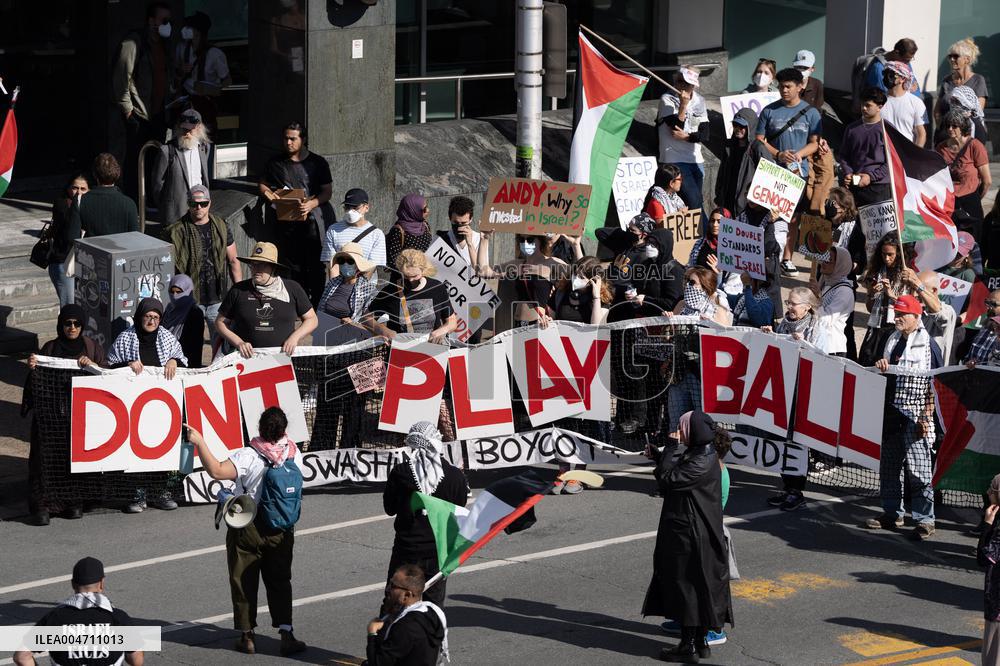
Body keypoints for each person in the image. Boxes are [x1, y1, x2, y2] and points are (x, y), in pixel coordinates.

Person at [185, 407, 307, 656]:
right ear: (284, 429)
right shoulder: (294, 453)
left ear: (260, 428)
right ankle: (286, 634)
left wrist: (199, 441)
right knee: (280, 580)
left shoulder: (249, 456)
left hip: (247, 524)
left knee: (243, 580)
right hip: (282, 528)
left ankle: (246, 635)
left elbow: (217, 471)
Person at [643, 410, 733, 662]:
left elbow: (668, 480)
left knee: (686, 588)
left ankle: (687, 646)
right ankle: (701, 642)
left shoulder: (700, 461)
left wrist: (670, 448)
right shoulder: (702, 455)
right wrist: (661, 456)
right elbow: (674, 472)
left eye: (682, 428)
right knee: (698, 587)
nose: (679, 432)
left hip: (689, 536)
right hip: (696, 534)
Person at [24, 305, 106, 527]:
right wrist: (33, 367)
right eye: (67, 323)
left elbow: (106, 377)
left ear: (83, 326)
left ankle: (73, 502)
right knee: (45, 460)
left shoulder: (91, 348)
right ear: (61, 325)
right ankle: (43, 506)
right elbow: (35, 381)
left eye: (76, 324)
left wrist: (94, 367)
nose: (72, 328)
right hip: (51, 416)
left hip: (79, 417)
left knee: (73, 458)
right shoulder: (49, 349)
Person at [870, 295, 941, 540]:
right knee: (889, 468)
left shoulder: (929, 345)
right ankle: (893, 513)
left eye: (902, 314)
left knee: (919, 472)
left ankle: (925, 520)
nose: (897, 318)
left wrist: (926, 416)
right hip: (890, 415)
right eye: (896, 313)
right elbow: (882, 371)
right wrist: (882, 365)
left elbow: (937, 383)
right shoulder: (890, 338)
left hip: (914, 417)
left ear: (916, 316)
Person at [108, 298, 187, 514]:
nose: (151, 321)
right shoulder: (125, 338)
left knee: (161, 448)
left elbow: (182, 359)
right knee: (136, 450)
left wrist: (174, 361)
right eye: (147, 316)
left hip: (161, 406)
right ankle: (137, 493)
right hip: (133, 407)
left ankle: (160, 492)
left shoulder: (167, 337)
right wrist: (127, 365)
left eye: (155, 317)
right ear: (139, 316)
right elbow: (110, 365)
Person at [381, 422, 469, 611]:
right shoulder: (454, 476)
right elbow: (458, 509)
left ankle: (385, 638)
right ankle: (430, 639)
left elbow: (389, 508)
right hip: (438, 551)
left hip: (406, 549)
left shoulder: (401, 473)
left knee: (395, 600)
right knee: (433, 606)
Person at [12, 557, 144, 666]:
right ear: (102, 583)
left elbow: (22, 657)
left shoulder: (54, 619)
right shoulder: (117, 618)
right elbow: (136, 658)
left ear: (73, 584)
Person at [754, 68, 822, 275]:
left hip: (797, 174)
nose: (783, 90)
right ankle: (766, 254)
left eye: (788, 86)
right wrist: (778, 154)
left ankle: (787, 257)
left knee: (793, 217)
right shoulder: (769, 111)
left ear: (800, 87)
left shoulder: (811, 113)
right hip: (772, 172)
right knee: (769, 214)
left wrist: (799, 154)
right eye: (781, 86)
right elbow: (759, 140)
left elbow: (815, 143)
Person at [259, 121, 334, 305]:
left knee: (315, 267)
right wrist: (273, 198)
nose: (288, 143)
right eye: (285, 138)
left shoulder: (318, 162)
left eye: (293, 139)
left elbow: (327, 191)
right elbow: (263, 185)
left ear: (303, 139)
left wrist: (312, 204)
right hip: (287, 224)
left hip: (313, 224)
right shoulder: (275, 163)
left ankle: (317, 306)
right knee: (293, 267)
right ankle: (297, 305)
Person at [164, 184, 241, 352]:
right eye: (194, 204)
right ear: (188, 204)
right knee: (190, 347)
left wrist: (239, 293)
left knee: (221, 348)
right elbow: (168, 269)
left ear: (209, 203)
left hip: (218, 298)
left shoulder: (221, 226)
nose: (199, 207)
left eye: (203, 203)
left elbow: (233, 260)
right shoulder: (176, 231)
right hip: (190, 300)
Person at [112, 1, 172, 199]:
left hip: (157, 112)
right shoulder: (134, 42)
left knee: (155, 157)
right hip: (138, 113)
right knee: (135, 159)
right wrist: (128, 110)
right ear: (151, 21)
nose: (166, 24)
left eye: (168, 20)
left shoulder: (163, 45)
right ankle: (134, 199)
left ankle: (151, 198)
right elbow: (122, 77)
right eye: (163, 20)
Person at [216, 241, 318, 358]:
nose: (256, 269)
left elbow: (312, 319)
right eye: (253, 264)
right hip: (245, 359)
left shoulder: (292, 288)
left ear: (273, 267)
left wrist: (294, 337)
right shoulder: (238, 290)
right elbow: (220, 322)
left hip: (282, 359)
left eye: (261, 265)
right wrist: (239, 343)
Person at [478, 231, 576, 330]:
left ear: (540, 240)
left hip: (539, 324)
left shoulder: (550, 263)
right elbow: (484, 272)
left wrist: (576, 246)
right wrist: (484, 239)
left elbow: (579, 276)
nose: (525, 243)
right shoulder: (516, 264)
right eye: (521, 240)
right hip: (516, 324)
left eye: (530, 239)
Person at [366, 564, 448, 666]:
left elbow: (378, 663)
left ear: (407, 595)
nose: (388, 589)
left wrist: (372, 633)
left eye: (393, 586)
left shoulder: (404, 627)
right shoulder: (432, 613)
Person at [365, 249, 457, 341]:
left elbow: (452, 321)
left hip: (432, 348)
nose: (411, 280)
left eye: (415, 276)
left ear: (423, 270)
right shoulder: (391, 290)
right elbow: (366, 318)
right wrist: (383, 331)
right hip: (401, 348)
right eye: (406, 276)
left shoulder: (437, 288)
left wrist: (441, 331)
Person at [656, 67, 710, 211]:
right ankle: (702, 233)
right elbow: (675, 127)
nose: (682, 86)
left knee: (695, 202)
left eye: (687, 83)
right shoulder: (667, 99)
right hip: (674, 158)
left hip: (695, 159)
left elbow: (705, 134)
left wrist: (687, 137)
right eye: (679, 81)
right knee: (694, 200)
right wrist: (683, 105)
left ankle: (695, 232)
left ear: (694, 85)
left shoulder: (700, 100)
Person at [859, 232, 916, 366]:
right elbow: (869, 308)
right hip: (876, 326)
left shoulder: (907, 276)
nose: (887, 258)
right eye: (884, 254)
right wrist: (872, 293)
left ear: (899, 254)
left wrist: (892, 296)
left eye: (891, 254)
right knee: (867, 361)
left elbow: (912, 309)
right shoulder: (877, 272)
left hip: (894, 329)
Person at [152, 109, 211, 226]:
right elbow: (157, 186)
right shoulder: (167, 151)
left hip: (199, 212)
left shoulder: (204, 148)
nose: (186, 133)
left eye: (190, 129)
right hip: (176, 215)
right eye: (184, 129)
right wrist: (167, 207)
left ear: (199, 127)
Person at [174, 11, 231, 131]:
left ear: (198, 32)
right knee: (185, 136)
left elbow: (227, 80)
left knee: (206, 136)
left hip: (206, 103)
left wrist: (213, 89)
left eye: (190, 27)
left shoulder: (215, 54)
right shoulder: (181, 48)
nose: (186, 29)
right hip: (186, 101)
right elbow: (174, 73)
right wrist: (181, 70)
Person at [65, 154, 139, 241]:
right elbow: (135, 240)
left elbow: (72, 238)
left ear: (95, 175)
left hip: (91, 252)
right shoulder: (129, 204)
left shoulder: (80, 200)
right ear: (117, 174)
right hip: (120, 252)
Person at [316, 242, 377, 345]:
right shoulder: (332, 283)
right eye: (341, 261)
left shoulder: (368, 289)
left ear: (358, 265)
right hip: (325, 335)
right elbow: (321, 309)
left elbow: (372, 322)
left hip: (350, 340)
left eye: (350, 261)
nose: (345, 264)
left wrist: (354, 324)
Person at [838, 87, 890, 207]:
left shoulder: (887, 130)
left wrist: (871, 177)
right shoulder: (851, 128)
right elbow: (844, 155)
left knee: (878, 226)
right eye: (862, 104)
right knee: (855, 223)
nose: (863, 108)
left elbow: (892, 163)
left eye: (868, 105)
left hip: (879, 188)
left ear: (879, 107)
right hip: (855, 184)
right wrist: (848, 173)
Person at [935, 109, 991, 221]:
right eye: (948, 126)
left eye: (954, 126)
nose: (950, 129)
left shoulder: (975, 146)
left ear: (963, 127)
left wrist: (976, 198)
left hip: (970, 200)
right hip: (949, 201)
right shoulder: (941, 148)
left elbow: (987, 181)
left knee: (973, 236)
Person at [321, 188, 387, 279]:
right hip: (339, 285)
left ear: (366, 207)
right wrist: (336, 289)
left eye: (355, 207)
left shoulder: (376, 234)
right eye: (347, 207)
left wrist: (358, 289)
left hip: (365, 287)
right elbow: (332, 263)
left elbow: (371, 267)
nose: (350, 211)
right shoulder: (333, 230)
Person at [47, 174, 89, 307]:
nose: (78, 192)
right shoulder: (62, 204)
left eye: (83, 189)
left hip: (83, 263)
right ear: (68, 189)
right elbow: (69, 233)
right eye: (75, 188)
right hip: (63, 262)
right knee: (69, 307)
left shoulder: (89, 207)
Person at [808, 245, 856, 356]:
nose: (823, 263)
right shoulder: (825, 282)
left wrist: (817, 298)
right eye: (824, 259)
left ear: (840, 265)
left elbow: (826, 320)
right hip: (819, 342)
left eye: (828, 261)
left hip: (832, 348)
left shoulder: (844, 291)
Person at [935, 38, 988, 126]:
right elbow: (937, 111)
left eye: (955, 56)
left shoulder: (978, 80)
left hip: (967, 133)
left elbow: (978, 111)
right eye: (950, 56)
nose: (952, 59)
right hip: (946, 133)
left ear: (967, 59)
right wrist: (941, 129)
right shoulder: (946, 80)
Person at [715, 109, 757, 214]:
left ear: (749, 127)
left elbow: (766, 178)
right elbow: (721, 174)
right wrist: (719, 196)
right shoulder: (729, 146)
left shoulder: (758, 148)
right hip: (727, 201)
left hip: (747, 206)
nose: (737, 129)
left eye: (742, 126)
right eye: (735, 125)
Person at [978, 473, 1000, 666]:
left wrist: (987, 525)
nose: (987, 492)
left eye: (991, 489)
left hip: (997, 605)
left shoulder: (998, 530)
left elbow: (983, 558)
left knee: (993, 658)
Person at [880, 61, 928, 147]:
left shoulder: (916, 103)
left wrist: (915, 156)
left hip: (905, 153)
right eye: (885, 74)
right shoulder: (878, 101)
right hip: (882, 151)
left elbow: (921, 134)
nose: (886, 77)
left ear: (902, 79)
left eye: (891, 75)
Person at [162, 274, 205, 368]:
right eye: (171, 292)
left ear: (188, 291)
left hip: (185, 364)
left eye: (179, 292)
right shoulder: (169, 309)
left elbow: (194, 346)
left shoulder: (195, 313)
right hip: (165, 361)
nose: (174, 295)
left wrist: (178, 361)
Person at [553, 256, 611, 325]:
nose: (575, 279)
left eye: (581, 277)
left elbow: (598, 327)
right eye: (575, 274)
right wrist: (548, 319)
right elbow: (551, 316)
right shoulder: (562, 290)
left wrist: (596, 298)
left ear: (593, 280)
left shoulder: (602, 299)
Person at [386, 193, 434, 272]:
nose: (427, 210)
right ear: (412, 210)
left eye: (427, 207)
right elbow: (393, 261)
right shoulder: (398, 231)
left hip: (425, 274)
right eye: (424, 209)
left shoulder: (424, 225)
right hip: (406, 278)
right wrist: (411, 273)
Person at [436, 195, 481, 267]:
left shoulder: (479, 239)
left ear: (471, 219)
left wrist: (470, 244)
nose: (459, 227)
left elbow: (480, 271)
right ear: (450, 218)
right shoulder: (442, 239)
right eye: (456, 223)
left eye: (464, 223)